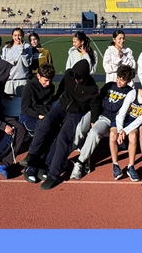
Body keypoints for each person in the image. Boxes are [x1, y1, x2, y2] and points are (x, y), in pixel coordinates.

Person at [24, 60, 103, 190]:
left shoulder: (92, 88)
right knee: (45, 123)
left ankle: (53, 176)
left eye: (79, 78)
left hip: (75, 114)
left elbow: (95, 106)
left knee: (63, 138)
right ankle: (31, 156)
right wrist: (55, 97)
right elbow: (62, 86)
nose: (76, 80)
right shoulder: (69, 75)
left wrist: (93, 122)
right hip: (61, 106)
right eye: (75, 77)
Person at [75, 65, 135, 179]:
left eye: (122, 80)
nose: (119, 81)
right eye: (118, 77)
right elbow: (98, 99)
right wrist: (101, 101)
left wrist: (102, 100)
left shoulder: (130, 92)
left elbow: (114, 108)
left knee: (93, 133)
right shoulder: (109, 85)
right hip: (96, 113)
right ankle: (75, 153)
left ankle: (81, 161)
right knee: (79, 128)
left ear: (128, 80)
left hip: (108, 118)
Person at [20, 63, 57, 134]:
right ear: (38, 76)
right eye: (46, 80)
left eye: (50, 80)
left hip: (44, 115)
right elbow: (25, 108)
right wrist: (38, 116)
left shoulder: (51, 87)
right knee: (41, 130)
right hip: (28, 115)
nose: (48, 83)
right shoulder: (29, 87)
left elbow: (47, 104)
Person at [1, 27, 36, 96]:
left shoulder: (27, 47)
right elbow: (3, 64)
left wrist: (22, 52)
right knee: (9, 103)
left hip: (22, 80)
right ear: (12, 36)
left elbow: (27, 64)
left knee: (21, 103)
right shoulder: (6, 48)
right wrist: (11, 63)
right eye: (15, 35)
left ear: (22, 36)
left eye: (19, 35)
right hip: (9, 81)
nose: (17, 37)